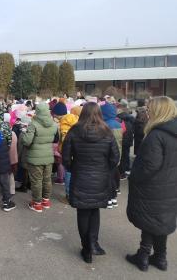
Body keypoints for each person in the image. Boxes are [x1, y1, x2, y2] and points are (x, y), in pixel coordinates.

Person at [62, 102, 120, 264]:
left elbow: (65, 157)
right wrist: (104, 170)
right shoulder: (107, 132)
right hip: (100, 178)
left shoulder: (74, 131)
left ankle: (87, 248)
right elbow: (115, 158)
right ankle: (93, 244)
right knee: (94, 210)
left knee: (83, 211)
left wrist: (74, 168)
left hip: (81, 176)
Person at [126, 96, 177, 272]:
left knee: (150, 220)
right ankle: (160, 257)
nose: (147, 112)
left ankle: (144, 255)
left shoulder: (157, 135)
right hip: (170, 186)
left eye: (150, 109)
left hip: (153, 187)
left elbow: (149, 166)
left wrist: (134, 177)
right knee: (160, 221)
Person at [21, 102, 58, 213]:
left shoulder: (33, 124)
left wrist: (23, 133)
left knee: (36, 181)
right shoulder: (54, 124)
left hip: (35, 157)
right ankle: (46, 201)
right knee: (47, 180)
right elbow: (56, 139)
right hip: (48, 156)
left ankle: (37, 204)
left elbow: (27, 142)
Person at [0, 103, 16, 212]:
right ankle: (6, 202)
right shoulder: (6, 125)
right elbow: (9, 141)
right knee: (4, 178)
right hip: (3, 153)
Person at [100, 102, 123, 208]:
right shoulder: (119, 124)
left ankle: (108, 199)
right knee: (114, 176)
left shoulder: (104, 125)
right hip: (117, 154)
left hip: (107, 156)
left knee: (107, 178)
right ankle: (114, 198)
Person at [58, 106, 81, 204]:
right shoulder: (80, 123)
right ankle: (76, 193)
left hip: (66, 151)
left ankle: (68, 195)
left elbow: (62, 138)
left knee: (68, 172)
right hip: (78, 151)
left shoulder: (64, 123)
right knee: (76, 172)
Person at [117, 100, 135, 179]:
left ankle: (121, 171)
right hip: (128, 139)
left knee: (120, 155)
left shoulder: (118, 118)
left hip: (121, 139)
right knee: (126, 155)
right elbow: (133, 129)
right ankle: (126, 170)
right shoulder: (131, 118)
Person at [51, 100, 68, 185]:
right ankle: (63, 177)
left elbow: (59, 136)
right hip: (67, 146)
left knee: (60, 162)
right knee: (63, 162)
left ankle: (61, 179)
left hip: (60, 146)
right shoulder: (69, 120)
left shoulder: (60, 123)